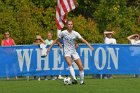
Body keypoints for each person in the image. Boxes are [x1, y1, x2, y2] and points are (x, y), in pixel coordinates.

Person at [47, 20, 94, 85]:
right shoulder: (63, 33)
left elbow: (83, 40)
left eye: (71, 24)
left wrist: (90, 46)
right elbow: (56, 40)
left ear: (73, 25)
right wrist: (49, 47)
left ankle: (82, 82)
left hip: (73, 51)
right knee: (69, 64)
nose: (70, 25)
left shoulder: (75, 33)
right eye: (69, 24)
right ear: (66, 25)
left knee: (81, 67)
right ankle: (74, 79)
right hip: (66, 51)